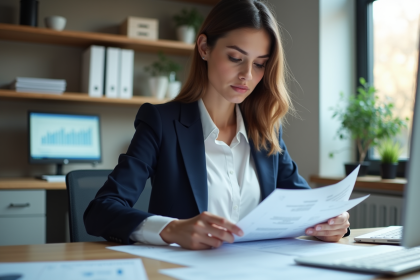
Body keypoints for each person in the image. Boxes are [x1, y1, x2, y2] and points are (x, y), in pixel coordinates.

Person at [84, 0, 350, 250]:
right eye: (236, 58)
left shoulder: (266, 130)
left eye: (259, 64)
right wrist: (172, 229)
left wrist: (332, 223)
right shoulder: (161, 123)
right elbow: (101, 210)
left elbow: (307, 207)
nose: (247, 75)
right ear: (204, 48)